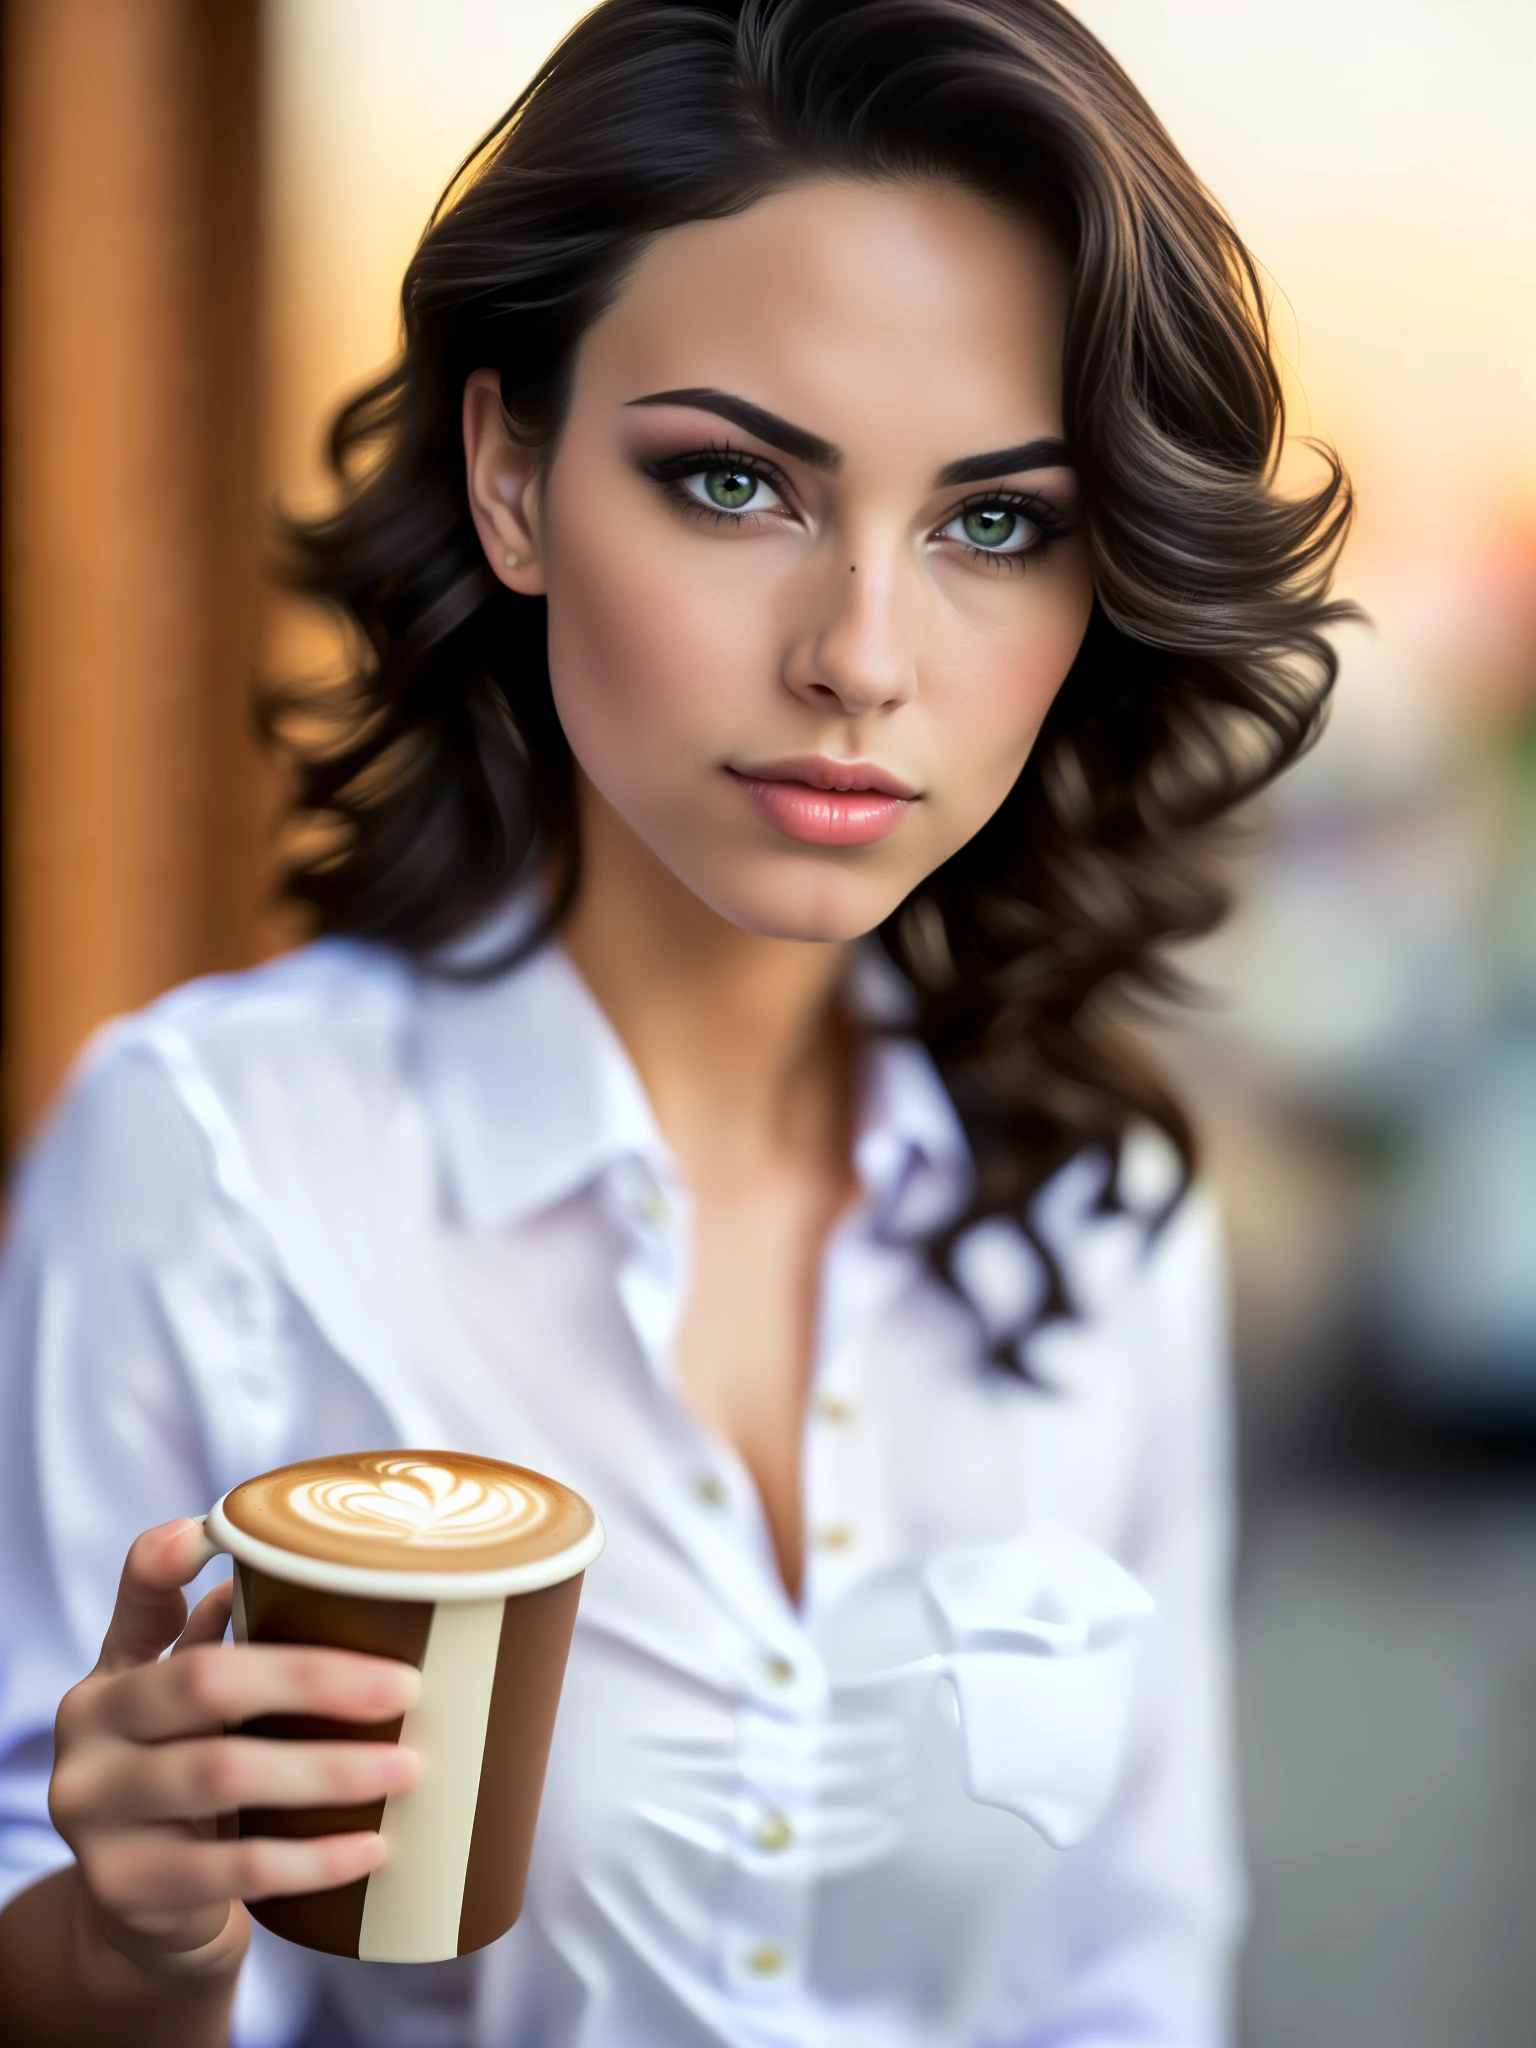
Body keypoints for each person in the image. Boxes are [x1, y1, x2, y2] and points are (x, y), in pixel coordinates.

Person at [0, 1, 1353, 2042]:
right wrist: (124, 1946)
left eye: (996, 522)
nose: (861, 658)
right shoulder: (210, 1156)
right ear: (513, 472)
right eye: (736, 483)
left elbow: (1131, 1982)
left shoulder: (1104, 1226)